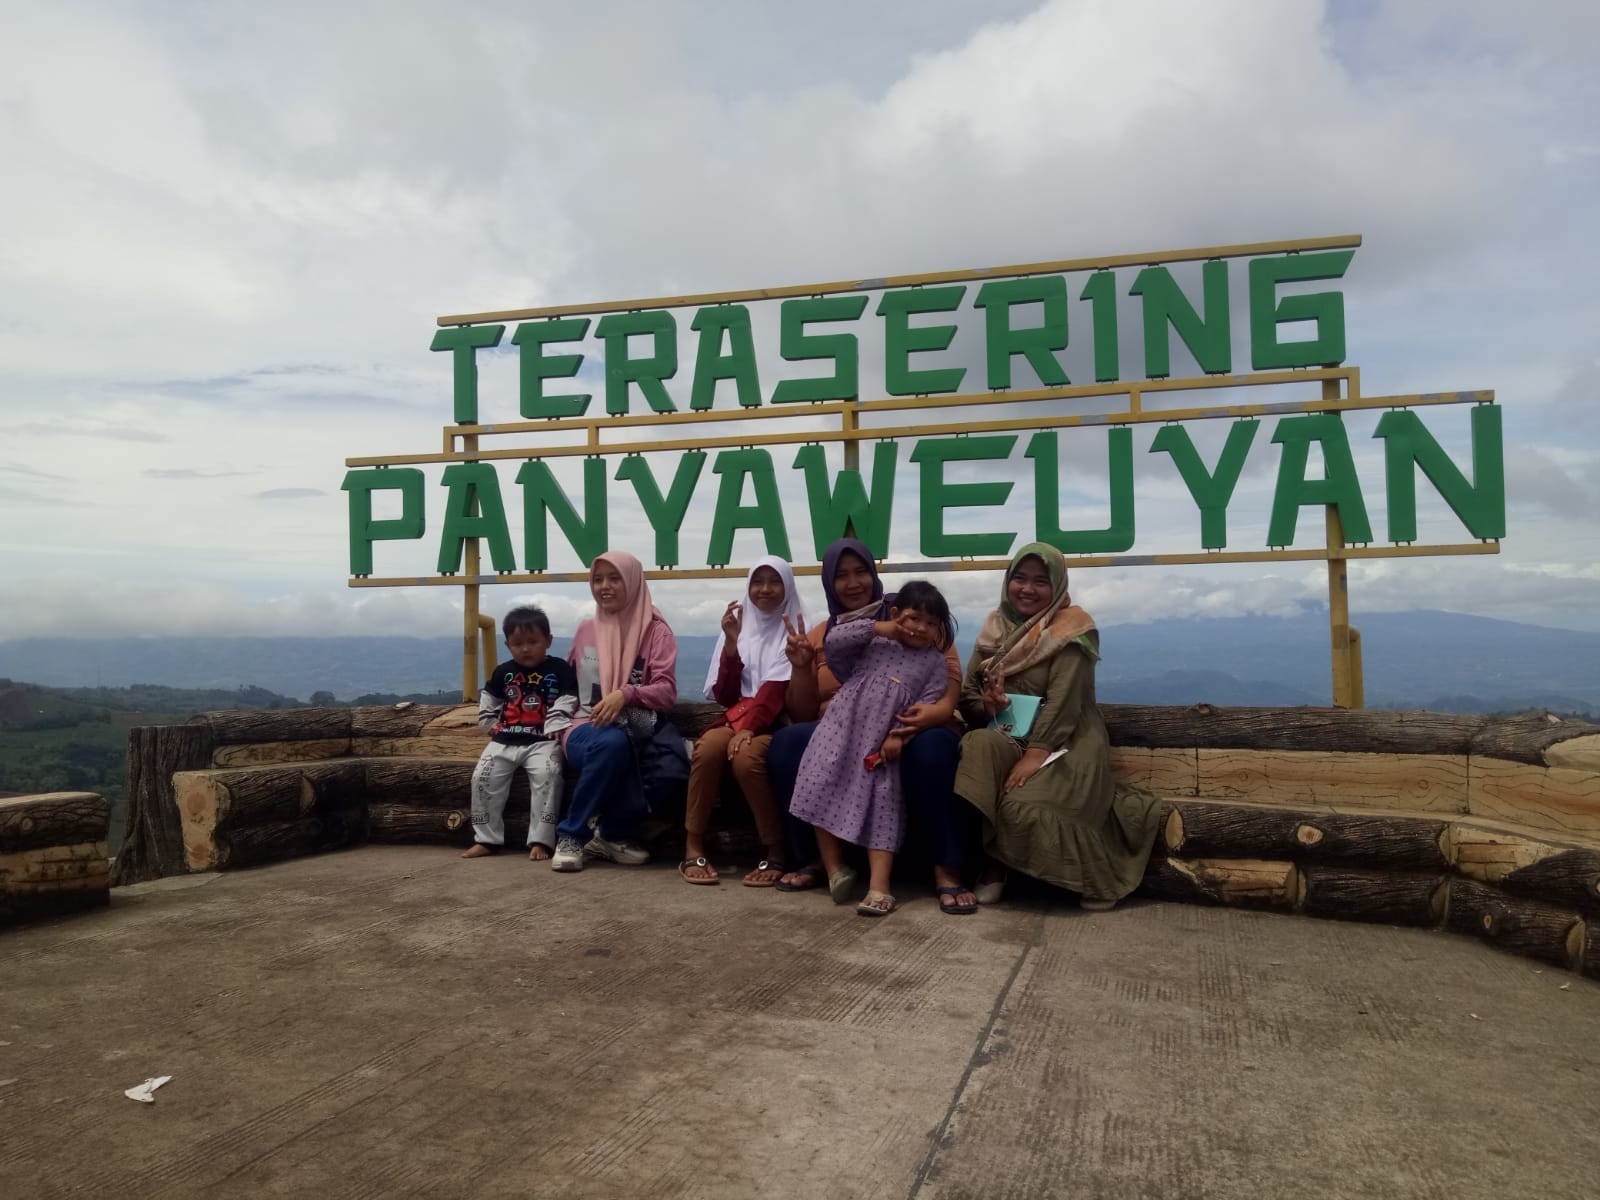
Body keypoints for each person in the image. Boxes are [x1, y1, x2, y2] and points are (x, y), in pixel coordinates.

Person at [767, 538, 979, 914]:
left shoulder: (911, 612)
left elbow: (947, 683)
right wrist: (801, 666)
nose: (853, 583)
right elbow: (803, 711)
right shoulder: (830, 630)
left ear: (874, 573)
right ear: (828, 583)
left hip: (913, 723)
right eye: (841, 575)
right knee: (787, 744)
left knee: (932, 752)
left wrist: (934, 713)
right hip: (843, 725)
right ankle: (817, 860)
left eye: (860, 571)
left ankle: (945, 866)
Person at [954, 542, 1162, 911]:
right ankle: (992, 867)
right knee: (977, 747)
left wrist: (1036, 754)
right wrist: (988, 705)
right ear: (1008, 581)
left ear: (1058, 586)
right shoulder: (993, 630)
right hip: (1008, 730)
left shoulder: (1072, 629)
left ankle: (1097, 878)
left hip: (1068, 738)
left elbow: (1066, 701)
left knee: (1024, 807)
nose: (1028, 589)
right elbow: (969, 696)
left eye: (1040, 581)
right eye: (1020, 578)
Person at [788, 581, 956, 917]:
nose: (921, 628)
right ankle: (836, 869)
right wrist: (885, 628)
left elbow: (929, 701)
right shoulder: (874, 641)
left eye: (931, 623)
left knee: (883, 803)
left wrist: (898, 736)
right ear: (895, 615)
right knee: (817, 785)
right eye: (913, 618)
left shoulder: (935, 662)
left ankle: (880, 887)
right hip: (840, 730)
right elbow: (835, 639)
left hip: (881, 740)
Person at [551, 550, 688, 873]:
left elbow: (666, 692)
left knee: (670, 772)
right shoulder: (588, 630)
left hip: (636, 725)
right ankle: (571, 835)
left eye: (614, 579)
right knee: (611, 744)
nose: (604, 587)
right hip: (585, 726)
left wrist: (625, 694)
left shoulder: (656, 633)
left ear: (633, 582)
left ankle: (610, 834)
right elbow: (571, 688)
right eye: (598, 579)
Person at [682, 556, 807, 886]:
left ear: (788, 586)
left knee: (747, 758)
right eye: (757, 581)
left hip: (776, 722)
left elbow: (776, 689)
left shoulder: (794, 626)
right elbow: (725, 694)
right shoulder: (737, 627)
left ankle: (775, 849)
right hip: (739, 718)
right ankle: (693, 844)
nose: (764, 589)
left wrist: (750, 728)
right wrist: (733, 645)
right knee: (708, 748)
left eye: (774, 581)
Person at [463, 605, 578, 861]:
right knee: (482, 778)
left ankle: (541, 840)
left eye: (533, 641)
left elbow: (569, 699)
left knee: (548, 775)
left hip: (543, 741)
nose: (525, 648)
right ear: (507, 644)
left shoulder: (559, 669)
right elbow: (489, 700)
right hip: (504, 739)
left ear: (548, 640)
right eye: (517, 643)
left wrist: (555, 725)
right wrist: (489, 725)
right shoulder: (503, 672)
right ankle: (486, 839)